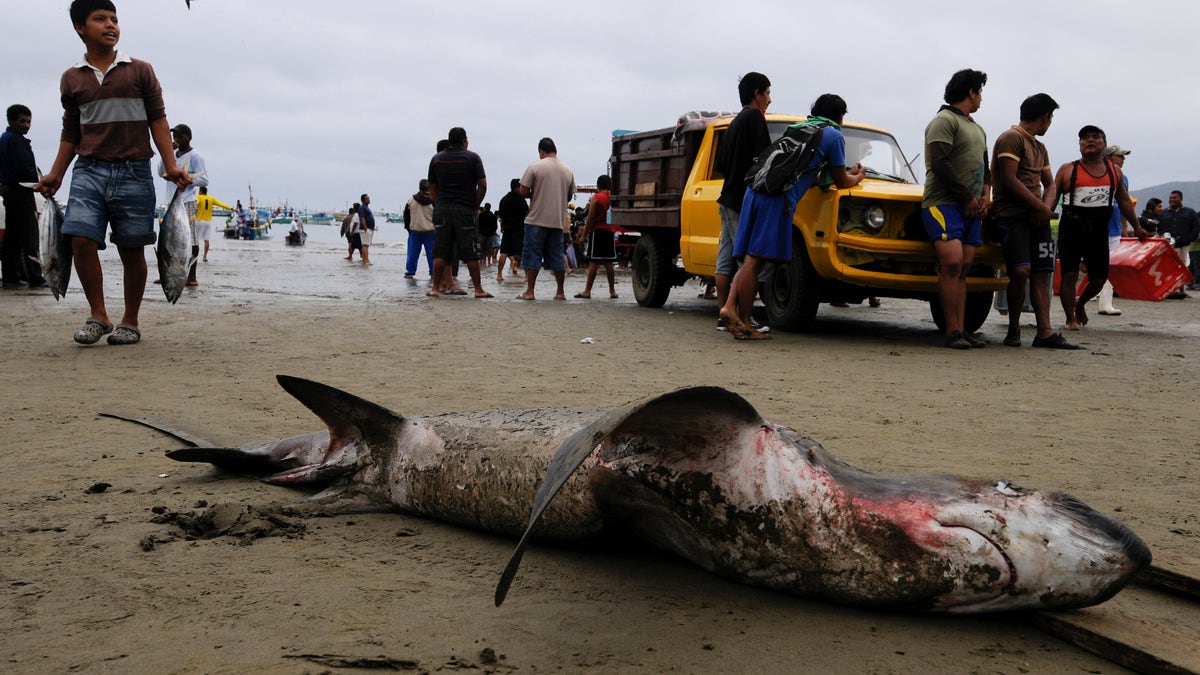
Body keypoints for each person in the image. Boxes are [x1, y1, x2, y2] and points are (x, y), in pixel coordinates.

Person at [34, 0, 190, 346]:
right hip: (89, 169)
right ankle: (99, 315)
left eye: (114, 19)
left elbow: (158, 119)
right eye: (100, 19)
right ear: (80, 28)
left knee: (132, 249)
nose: (110, 25)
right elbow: (72, 131)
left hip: (135, 169)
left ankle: (130, 321)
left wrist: (170, 164)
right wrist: (57, 173)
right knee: (80, 241)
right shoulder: (71, 78)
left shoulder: (140, 70)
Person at [719, 94, 865, 340]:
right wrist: (858, 176)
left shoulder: (798, 128)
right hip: (777, 198)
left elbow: (805, 173)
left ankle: (730, 306)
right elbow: (841, 181)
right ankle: (744, 322)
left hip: (754, 191)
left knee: (749, 259)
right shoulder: (834, 135)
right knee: (755, 261)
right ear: (840, 115)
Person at [989, 93, 1078, 350]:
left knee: (1042, 273)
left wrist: (1045, 209)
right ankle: (1014, 327)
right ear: (1045, 117)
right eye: (1051, 118)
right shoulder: (1011, 138)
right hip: (1011, 216)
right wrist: (1040, 207)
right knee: (1020, 271)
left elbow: (1050, 184)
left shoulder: (1039, 147)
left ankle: (1045, 332)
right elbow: (1009, 179)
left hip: (1036, 218)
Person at [1048, 125, 1149, 330]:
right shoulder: (1068, 169)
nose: (1089, 140)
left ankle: (1081, 303)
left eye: (1095, 137)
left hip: (1098, 232)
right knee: (1069, 276)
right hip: (1071, 230)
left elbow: (1124, 202)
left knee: (1099, 279)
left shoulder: (1114, 171)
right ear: (1079, 146)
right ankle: (1070, 319)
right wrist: (1044, 215)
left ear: (1104, 145)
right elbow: (1052, 196)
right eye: (1084, 138)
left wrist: (1137, 227)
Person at [921, 69, 991, 350]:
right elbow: (940, 163)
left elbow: (985, 167)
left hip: (972, 208)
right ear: (971, 92)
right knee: (951, 264)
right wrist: (966, 198)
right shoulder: (943, 120)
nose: (981, 98)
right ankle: (951, 331)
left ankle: (961, 329)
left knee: (964, 268)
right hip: (943, 204)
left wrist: (985, 195)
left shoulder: (978, 127)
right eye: (980, 92)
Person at [713, 71, 772, 331]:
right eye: (768, 93)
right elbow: (765, 159)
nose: (770, 99)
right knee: (746, 262)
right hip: (742, 200)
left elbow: (722, 164)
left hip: (726, 197)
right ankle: (742, 317)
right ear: (757, 94)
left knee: (724, 260)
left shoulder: (733, 123)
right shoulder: (755, 119)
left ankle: (722, 316)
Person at [426, 126, 491, 298]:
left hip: (443, 208)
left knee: (440, 250)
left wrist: (437, 202)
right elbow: (482, 185)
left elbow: (431, 186)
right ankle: (478, 289)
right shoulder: (472, 158)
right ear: (464, 140)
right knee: (470, 250)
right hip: (464, 209)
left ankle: (435, 289)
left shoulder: (436, 159)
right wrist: (475, 205)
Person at [518, 137, 574, 301]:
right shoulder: (567, 170)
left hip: (536, 218)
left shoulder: (535, 166)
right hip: (557, 221)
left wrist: (535, 193)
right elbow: (569, 195)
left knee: (532, 256)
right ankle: (560, 292)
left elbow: (522, 191)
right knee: (557, 256)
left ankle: (530, 292)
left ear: (541, 151)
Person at [0, 103, 46, 289]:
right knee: (29, 235)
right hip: (20, 191)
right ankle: (35, 277)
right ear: (11, 121)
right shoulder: (17, 141)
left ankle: (10, 276)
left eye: (29, 121)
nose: (27, 125)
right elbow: (24, 170)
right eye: (23, 121)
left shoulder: (5, 138)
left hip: (9, 191)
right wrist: (37, 183)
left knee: (12, 236)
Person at [157, 123, 206, 286]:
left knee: (191, 238)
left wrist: (187, 180)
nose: (176, 139)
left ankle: (192, 276)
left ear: (188, 137)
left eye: (179, 136)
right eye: (174, 136)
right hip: (170, 202)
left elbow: (204, 179)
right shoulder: (172, 155)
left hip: (187, 201)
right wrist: (167, 152)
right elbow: (160, 171)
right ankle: (168, 273)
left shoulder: (196, 156)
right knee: (167, 240)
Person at [1097, 145, 1133, 315]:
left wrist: (1124, 227)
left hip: (1115, 229)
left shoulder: (1123, 178)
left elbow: (1126, 203)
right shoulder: (1099, 174)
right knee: (1094, 265)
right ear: (1110, 157)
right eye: (1120, 156)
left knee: (1109, 266)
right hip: (1099, 227)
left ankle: (1105, 302)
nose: (1124, 159)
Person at [573, 174, 618, 299]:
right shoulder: (613, 197)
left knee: (594, 262)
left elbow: (591, 218)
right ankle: (612, 291)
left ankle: (587, 291)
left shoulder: (596, 198)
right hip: (610, 231)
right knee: (609, 263)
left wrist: (584, 235)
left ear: (598, 185)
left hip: (597, 232)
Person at [1158, 190, 1198, 298]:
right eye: (1171, 198)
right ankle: (1171, 290)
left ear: (1181, 199)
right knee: (1170, 268)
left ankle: (1181, 290)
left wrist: (1189, 238)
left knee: (1183, 267)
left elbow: (1195, 227)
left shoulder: (1190, 212)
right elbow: (1158, 228)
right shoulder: (1163, 214)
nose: (1172, 200)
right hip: (1169, 246)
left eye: (1174, 198)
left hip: (1184, 246)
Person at [496, 178, 527, 282]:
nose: (522, 189)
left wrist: (504, 225)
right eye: (521, 187)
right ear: (516, 187)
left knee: (504, 252)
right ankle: (527, 276)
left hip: (507, 229)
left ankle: (499, 275)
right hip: (519, 229)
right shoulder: (521, 200)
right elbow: (526, 214)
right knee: (521, 253)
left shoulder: (504, 199)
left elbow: (501, 214)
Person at [403, 179, 434, 279]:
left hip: (415, 231)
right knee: (432, 255)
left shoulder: (411, 200)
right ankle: (433, 273)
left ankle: (410, 272)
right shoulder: (434, 200)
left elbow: (406, 216)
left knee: (412, 254)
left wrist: (408, 228)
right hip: (430, 231)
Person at [194, 186, 229, 263]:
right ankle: (205, 257)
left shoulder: (198, 197)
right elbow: (221, 204)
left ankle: (195, 256)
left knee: (196, 240)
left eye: (199, 191)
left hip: (200, 221)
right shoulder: (211, 198)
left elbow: (195, 203)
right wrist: (231, 208)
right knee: (206, 240)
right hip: (208, 222)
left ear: (201, 191)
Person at [477, 202, 498, 267]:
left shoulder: (481, 215)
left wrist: (480, 231)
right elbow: (495, 226)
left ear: (485, 208)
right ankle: (488, 262)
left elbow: (478, 224)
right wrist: (493, 232)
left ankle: (481, 261)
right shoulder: (493, 216)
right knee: (489, 249)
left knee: (482, 249)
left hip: (482, 234)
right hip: (490, 235)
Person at [357, 193, 375, 267]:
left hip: (369, 228)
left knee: (366, 245)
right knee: (365, 245)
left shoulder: (366, 207)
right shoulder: (362, 208)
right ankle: (366, 260)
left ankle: (365, 260)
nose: (369, 200)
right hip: (365, 229)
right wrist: (365, 228)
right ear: (363, 200)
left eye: (369, 198)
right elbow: (362, 218)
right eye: (367, 198)